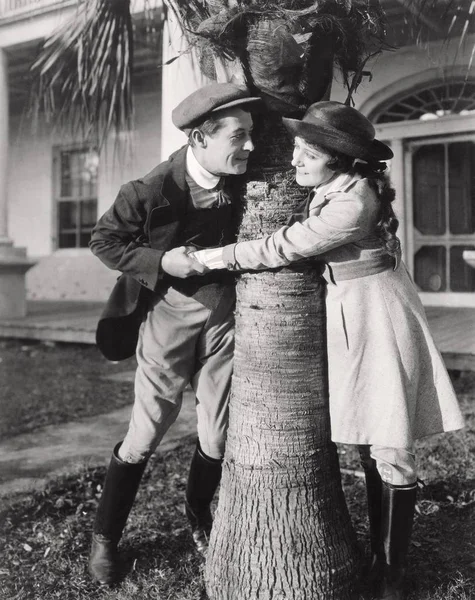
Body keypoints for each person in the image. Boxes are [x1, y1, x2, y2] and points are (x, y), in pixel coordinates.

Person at [189, 101, 465, 600]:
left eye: (307, 153)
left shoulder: (352, 202)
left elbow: (284, 246)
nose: (294, 161)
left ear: (336, 159)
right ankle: (383, 560)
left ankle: (392, 575)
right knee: (370, 434)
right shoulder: (337, 187)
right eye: (296, 149)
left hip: (376, 316)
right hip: (352, 310)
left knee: (389, 444)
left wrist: (213, 257)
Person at [88, 82, 261, 585]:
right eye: (239, 136)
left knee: (219, 431)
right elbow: (104, 240)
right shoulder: (150, 188)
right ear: (200, 139)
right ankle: (104, 540)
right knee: (146, 432)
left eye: (251, 134)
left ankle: (199, 516)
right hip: (169, 314)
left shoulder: (247, 178)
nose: (250, 146)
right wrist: (162, 260)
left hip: (227, 315)